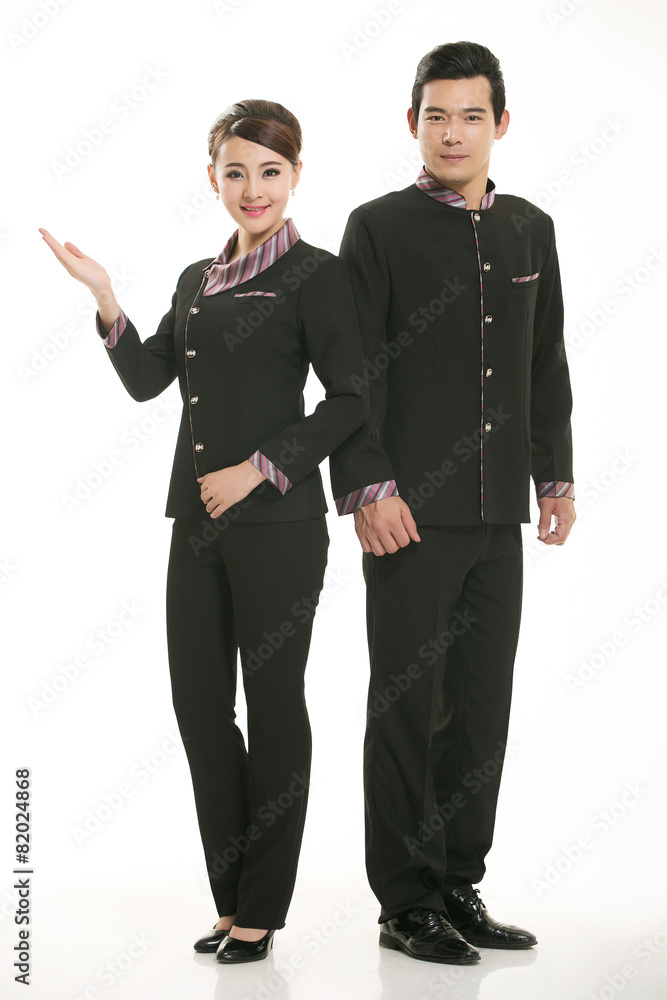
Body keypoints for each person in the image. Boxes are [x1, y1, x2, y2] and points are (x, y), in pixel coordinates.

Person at [40, 99, 378, 965]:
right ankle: (231, 900)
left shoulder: (317, 274)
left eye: (270, 171)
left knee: (273, 705)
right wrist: (105, 298)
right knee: (198, 707)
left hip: (277, 525)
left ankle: (262, 909)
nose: (252, 187)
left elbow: (350, 399)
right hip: (194, 524)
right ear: (213, 178)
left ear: (294, 175)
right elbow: (148, 378)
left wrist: (259, 467)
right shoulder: (197, 277)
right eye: (235, 171)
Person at [334, 41, 576, 964]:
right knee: (407, 705)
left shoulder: (529, 229)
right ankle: (405, 904)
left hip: (496, 511)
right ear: (412, 123)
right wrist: (367, 487)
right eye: (435, 115)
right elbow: (351, 374)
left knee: (479, 706)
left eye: (471, 115)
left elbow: (544, 359)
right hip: (407, 514)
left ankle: (456, 883)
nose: (452, 132)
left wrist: (553, 475)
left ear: (499, 124)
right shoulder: (376, 228)